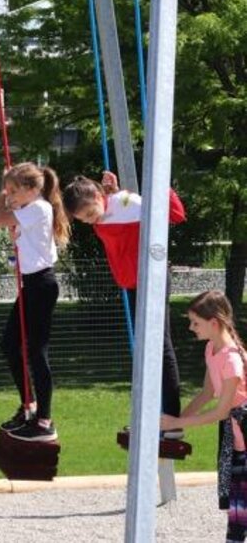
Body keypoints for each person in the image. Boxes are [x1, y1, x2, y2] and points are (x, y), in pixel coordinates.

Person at [63, 171, 186, 436]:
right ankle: (152, 418)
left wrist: (159, 187)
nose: (89, 220)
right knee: (144, 352)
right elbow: (112, 214)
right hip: (132, 285)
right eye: (84, 219)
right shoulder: (108, 207)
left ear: (97, 196)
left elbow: (175, 216)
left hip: (150, 280)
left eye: (89, 212)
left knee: (161, 348)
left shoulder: (130, 204)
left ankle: (172, 422)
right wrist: (111, 196)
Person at [160, 291, 247, 542]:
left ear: (214, 323)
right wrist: (172, 424)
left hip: (242, 437)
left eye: (195, 322)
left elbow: (221, 411)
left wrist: (178, 422)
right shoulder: (212, 349)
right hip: (237, 442)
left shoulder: (232, 360)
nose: (190, 327)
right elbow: (207, 394)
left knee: (239, 511)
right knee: (237, 511)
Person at [0, 163, 69, 442]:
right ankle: (29, 405)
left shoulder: (38, 208)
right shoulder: (28, 211)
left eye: (14, 190)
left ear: (32, 189)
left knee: (36, 352)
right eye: (8, 190)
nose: (10, 195)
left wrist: (1, 194)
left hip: (42, 284)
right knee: (9, 345)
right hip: (31, 284)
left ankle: (44, 420)